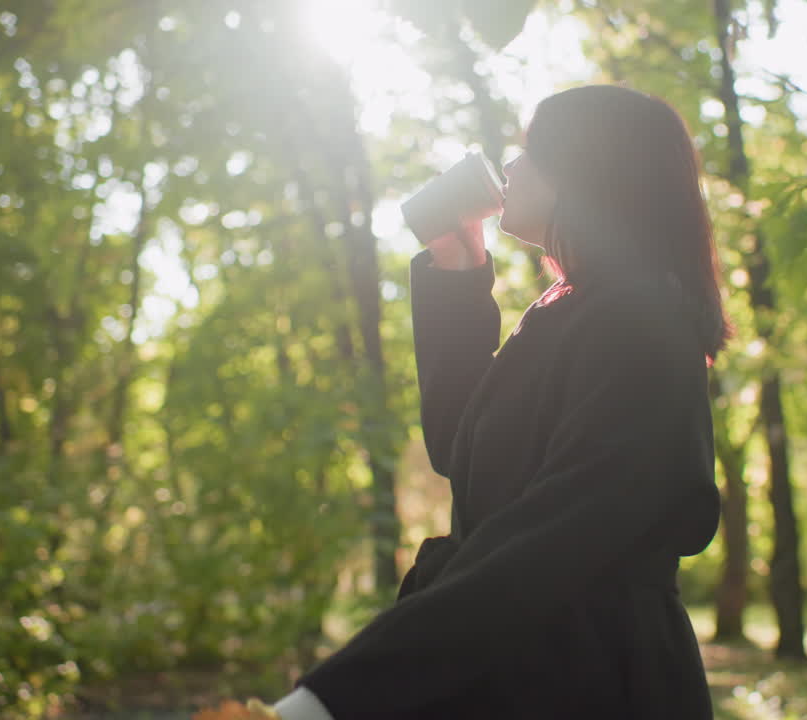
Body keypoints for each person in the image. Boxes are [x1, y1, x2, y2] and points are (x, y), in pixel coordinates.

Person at [272, 84, 729, 719]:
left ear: (587, 169)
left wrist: (335, 698)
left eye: (530, 151)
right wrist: (457, 265)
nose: (510, 166)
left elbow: (551, 539)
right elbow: (463, 450)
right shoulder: (574, 306)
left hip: (593, 679)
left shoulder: (640, 320)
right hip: (530, 662)